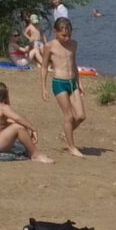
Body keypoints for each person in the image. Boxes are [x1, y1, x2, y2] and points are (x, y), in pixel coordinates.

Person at [40, 17, 86, 158]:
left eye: (69, 35)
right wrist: (43, 87)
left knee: (81, 116)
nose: (67, 38)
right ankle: (71, 147)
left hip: (72, 82)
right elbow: (44, 67)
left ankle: (65, 133)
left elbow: (73, 64)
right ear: (56, 32)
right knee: (69, 116)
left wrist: (79, 82)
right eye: (64, 35)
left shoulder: (74, 44)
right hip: (59, 82)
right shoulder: (50, 46)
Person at [0, 82, 52, 163]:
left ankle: (30, 147)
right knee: (18, 127)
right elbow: (17, 118)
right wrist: (33, 128)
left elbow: (6, 120)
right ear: (5, 96)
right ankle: (35, 155)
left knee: (11, 123)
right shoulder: (2, 108)